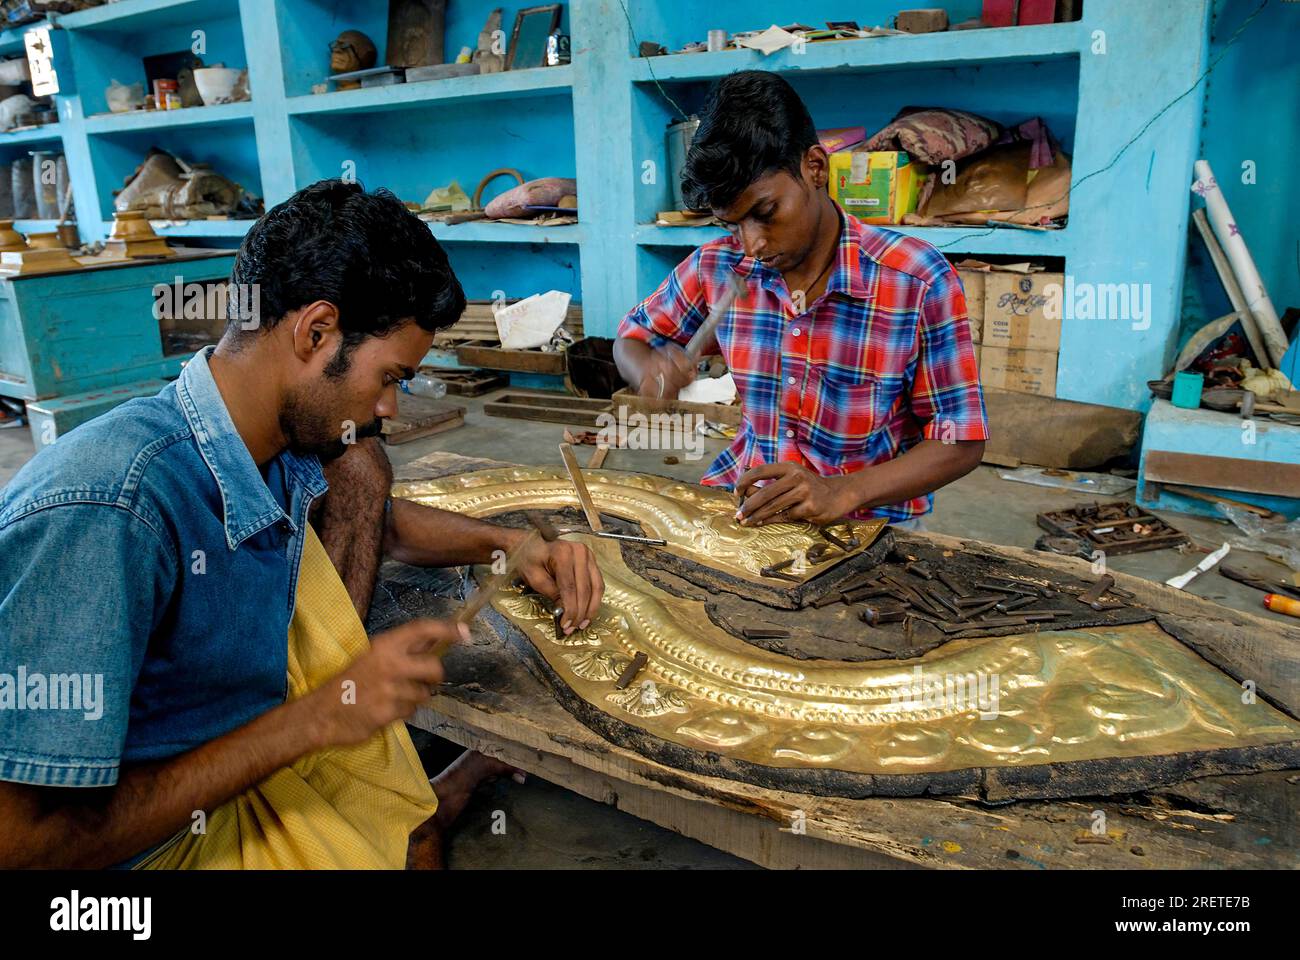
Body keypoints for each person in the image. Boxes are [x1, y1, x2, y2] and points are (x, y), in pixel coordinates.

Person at [0, 180, 605, 869]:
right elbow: (23, 846)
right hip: (148, 854)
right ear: (316, 331)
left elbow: (373, 519)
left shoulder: (262, 440)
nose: (391, 407)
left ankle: (426, 814)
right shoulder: (107, 510)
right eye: (389, 377)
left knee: (360, 465)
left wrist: (509, 544)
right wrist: (315, 719)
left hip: (232, 783)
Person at [614, 71, 988, 530]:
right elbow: (631, 338)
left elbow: (961, 440)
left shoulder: (916, 280)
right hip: (744, 505)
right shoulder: (718, 267)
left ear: (815, 168)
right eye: (731, 225)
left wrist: (842, 490)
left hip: (865, 522)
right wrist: (647, 370)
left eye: (765, 213)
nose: (751, 244)